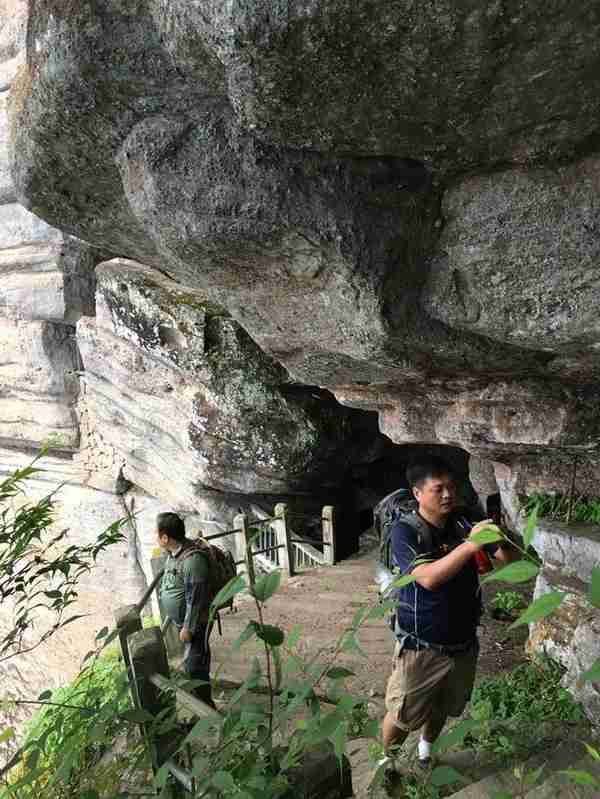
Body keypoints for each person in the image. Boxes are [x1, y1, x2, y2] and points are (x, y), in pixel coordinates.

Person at [381, 457, 515, 779]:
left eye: (452, 487)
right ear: (417, 493)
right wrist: (471, 546)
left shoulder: (463, 520)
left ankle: (426, 751)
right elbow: (427, 578)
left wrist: (499, 537)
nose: (447, 495)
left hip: (463, 641)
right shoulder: (405, 531)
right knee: (402, 714)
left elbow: (508, 562)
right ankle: (387, 762)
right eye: (438, 489)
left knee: (445, 705)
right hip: (421, 646)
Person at [157, 512, 216, 708]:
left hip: (197, 624)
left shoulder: (193, 561)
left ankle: (208, 709)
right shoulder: (173, 554)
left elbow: (196, 598)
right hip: (184, 622)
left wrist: (188, 628)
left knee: (194, 666)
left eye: (156, 534)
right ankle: (204, 706)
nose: (155, 538)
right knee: (193, 665)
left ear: (165, 537)